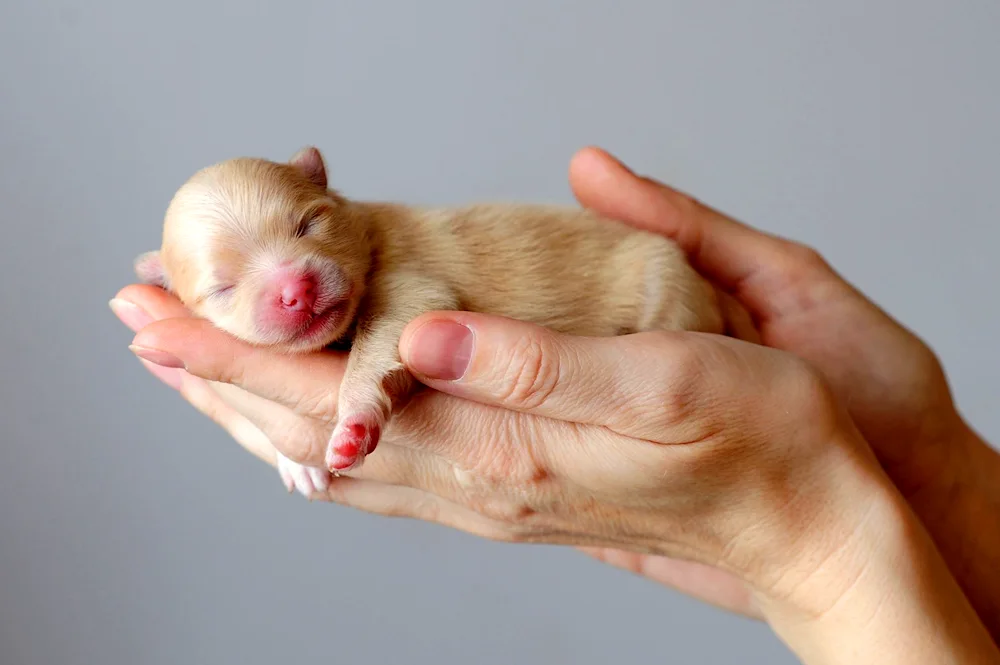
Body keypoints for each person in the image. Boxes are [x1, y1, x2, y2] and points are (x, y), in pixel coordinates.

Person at [110, 147, 1000, 663]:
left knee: (662, 297)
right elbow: (302, 387)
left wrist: (815, 547)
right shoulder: (310, 289)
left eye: (305, 227)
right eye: (227, 289)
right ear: (187, 305)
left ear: (330, 192)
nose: (292, 286)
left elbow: (404, 335)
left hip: (642, 288)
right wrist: (937, 482)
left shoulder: (395, 251)